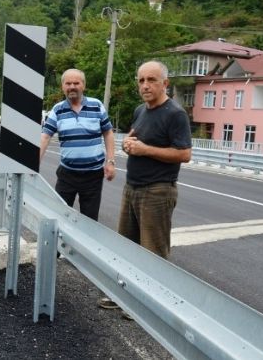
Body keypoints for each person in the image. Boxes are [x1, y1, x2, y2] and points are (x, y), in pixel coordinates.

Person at [119, 60, 192, 258]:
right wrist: (127, 144)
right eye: (141, 80)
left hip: (156, 192)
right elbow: (135, 142)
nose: (145, 85)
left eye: (151, 80)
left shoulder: (175, 114)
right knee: (125, 248)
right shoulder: (140, 110)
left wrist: (145, 150)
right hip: (131, 188)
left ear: (165, 83)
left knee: (153, 255)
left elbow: (184, 154)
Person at [40, 68, 116, 222]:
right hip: (67, 175)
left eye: (76, 83)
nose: (72, 87)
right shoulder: (57, 110)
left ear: (84, 85)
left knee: (90, 221)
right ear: (63, 86)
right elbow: (45, 137)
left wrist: (110, 161)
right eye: (68, 83)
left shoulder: (97, 106)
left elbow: (108, 133)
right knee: (60, 217)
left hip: (93, 176)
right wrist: (34, 164)